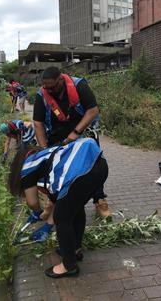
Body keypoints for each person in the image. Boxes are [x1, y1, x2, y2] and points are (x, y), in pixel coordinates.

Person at [8, 137, 109, 278]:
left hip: (81, 170)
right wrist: (47, 224)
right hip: (100, 164)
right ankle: (75, 249)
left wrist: (37, 212)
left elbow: (32, 202)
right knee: (76, 209)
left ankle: (68, 266)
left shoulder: (27, 166)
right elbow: (60, 200)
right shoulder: (49, 157)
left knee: (62, 218)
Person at [33, 66, 110, 218]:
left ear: (61, 79)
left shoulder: (79, 85)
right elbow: (38, 123)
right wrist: (44, 149)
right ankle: (53, 203)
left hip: (83, 132)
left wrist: (75, 133)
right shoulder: (42, 95)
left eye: (53, 86)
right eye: (47, 87)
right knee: (57, 170)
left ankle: (99, 200)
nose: (50, 90)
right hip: (57, 137)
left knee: (93, 167)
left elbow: (93, 110)